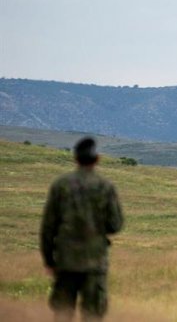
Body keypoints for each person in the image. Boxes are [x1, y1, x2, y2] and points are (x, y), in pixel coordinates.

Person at [40, 137, 124, 321]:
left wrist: (49, 260)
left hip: (65, 260)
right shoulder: (105, 187)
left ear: (75, 158)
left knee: (62, 313)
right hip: (95, 261)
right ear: (97, 159)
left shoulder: (60, 185)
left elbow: (48, 227)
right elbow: (116, 224)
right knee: (93, 314)